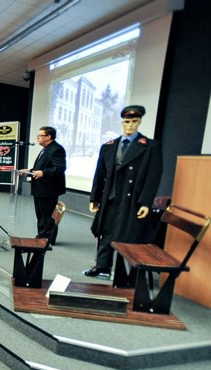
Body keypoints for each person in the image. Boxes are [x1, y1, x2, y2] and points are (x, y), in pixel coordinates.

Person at [84, 105, 163, 279]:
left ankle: (128, 274)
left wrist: (145, 202)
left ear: (140, 122)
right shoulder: (109, 146)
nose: (130, 126)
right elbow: (100, 174)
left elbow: (153, 177)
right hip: (110, 199)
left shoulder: (150, 147)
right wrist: (95, 197)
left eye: (134, 122)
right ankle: (102, 266)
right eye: (127, 122)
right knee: (106, 233)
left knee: (130, 235)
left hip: (132, 199)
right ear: (122, 123)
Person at [20, 126, 66, 243]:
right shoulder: (45, 149)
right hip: (40, 188)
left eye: (40, 135)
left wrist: (43, 172)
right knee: (40, 215)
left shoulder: (56, 149)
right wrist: (30, 170)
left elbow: (59, 168)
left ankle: (49, 238)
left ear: (48, 136)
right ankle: (42, 235)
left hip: (49, 189)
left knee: (48, 216)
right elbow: (42, 166)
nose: (38, 138)